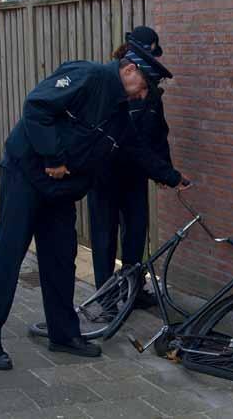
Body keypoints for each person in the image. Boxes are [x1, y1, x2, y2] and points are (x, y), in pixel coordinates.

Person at [0, 40, 188, 371]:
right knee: (9, 255)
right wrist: (53, 157)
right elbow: (37, 107)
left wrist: (172, 177)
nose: (144, 95)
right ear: (129, 70)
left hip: (61, 191)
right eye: (144, 85)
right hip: (26, 176)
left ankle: (63, 334)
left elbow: (137, 149)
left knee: (60, 260)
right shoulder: (87, 76)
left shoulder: (118, 113)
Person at [87, 27, 182, 311]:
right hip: (105, 173)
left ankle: (134, 289)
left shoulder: (150, 93)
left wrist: (164, 169)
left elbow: (158, 133)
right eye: (150, 54)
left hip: (136, 174)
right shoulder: (112, 87)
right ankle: (106, 298)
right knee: (104, 237)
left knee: (136, 234)